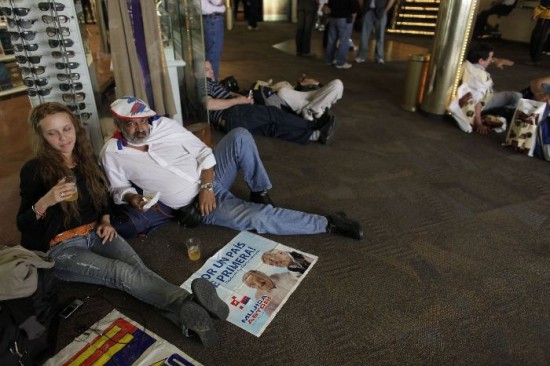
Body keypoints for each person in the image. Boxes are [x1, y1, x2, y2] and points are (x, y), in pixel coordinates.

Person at [17, 102, 229, 348]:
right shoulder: (34, 170)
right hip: (61, 248)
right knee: (121, 273)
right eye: (52, 133)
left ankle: (187, 322)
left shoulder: (85, 160)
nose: (63, 138)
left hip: (96, 232)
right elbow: (24, 225)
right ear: (42, 137)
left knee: (137, 271)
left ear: (75, 128)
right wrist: (46, 201)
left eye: (66, 129)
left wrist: (106, 220)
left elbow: (102, 199)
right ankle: (187, 302)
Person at [100, 96, 363, 241]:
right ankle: (328, 223)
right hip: (197, 206)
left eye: (143, 121)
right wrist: (130, 197)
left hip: (211, 178)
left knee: (239, 134)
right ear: (119, 125)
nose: (141, 129)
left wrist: (206, 187)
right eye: (132, 125)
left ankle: (259, 191)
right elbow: (118, 187)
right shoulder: (111, 153)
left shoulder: (164, 127)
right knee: (258, 219)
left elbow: (204, 152)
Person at [204, 61, 337, 144]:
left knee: (272, 128)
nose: (212, 71)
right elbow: (209, 104)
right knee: (272, 113)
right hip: (232, 115)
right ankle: (313, 125)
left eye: (211, 68)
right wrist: (239, 100)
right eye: (207, 70)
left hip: (230, 122)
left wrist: (243, 97)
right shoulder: (203, 84)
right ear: (197, 73)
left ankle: (315, 136)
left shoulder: (210, 84)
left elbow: (227, 96)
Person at [448, 43, 521, 134]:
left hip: (460, 99)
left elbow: (480, 63)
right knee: (515, 96)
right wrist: (478, 123)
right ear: (481, 60)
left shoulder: (465, 64)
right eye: (490, 57)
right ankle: (504, 113)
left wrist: (495, 60)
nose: (491, 60)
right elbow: (477, 101)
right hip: (479, 103)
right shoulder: (481, 77)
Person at [355, 0, 396, 65]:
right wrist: (364, 8)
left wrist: (385, 11)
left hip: (381, 11)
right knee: (364, 35)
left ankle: (379, 57)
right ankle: (361, 56)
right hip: (368, 10)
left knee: (380, 36)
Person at [324, 0, 360, 69]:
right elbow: (354, 9)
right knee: (344, 41)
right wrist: (353, 19)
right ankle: (341, 62)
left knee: (332, 40)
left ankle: (329, 60)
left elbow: (329, 5)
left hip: (333, 18)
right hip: (345, 18)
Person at [201, 0, 226, 79]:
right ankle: (213, 86)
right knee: (213, 56)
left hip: (209, 19)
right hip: (213, 19)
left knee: (211, 54)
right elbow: (217, 1)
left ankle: (211, 85)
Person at [529, 0, 550, 65]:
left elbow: (543, 6)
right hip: (545, 17)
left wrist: (535, 14)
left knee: (537, 38)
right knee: (539, 37)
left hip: (546, 18)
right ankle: (536, 59)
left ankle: (535, 59)